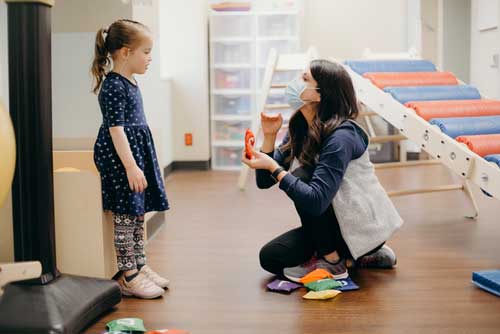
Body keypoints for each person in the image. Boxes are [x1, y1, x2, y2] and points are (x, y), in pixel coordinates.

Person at [242, 59, 403, 282]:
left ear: (320, 94)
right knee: (271, 257)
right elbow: (264, 181)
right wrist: (269, 138)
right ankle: (359, 257)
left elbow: (316, 200)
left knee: (301, 178)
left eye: (304, 79)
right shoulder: (300, 124)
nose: (295, 83)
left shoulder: (342, 136)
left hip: (361, 226)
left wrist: (274, 168)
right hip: (332, 224)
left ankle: (335, 262)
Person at [91, 19, 169, 298]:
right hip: (121, 159)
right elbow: (116, 131)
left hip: (134, 155)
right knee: (125, 217)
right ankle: (129, 276)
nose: (150, 58)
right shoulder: (113, 86)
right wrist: (131, 166)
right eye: (146, 52)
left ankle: (140, 264)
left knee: (137, 214)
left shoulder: (131, 82)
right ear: (125, 52)